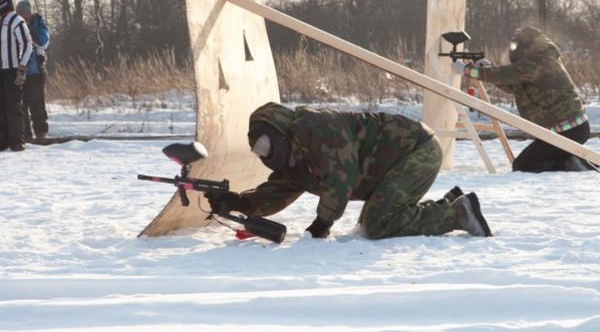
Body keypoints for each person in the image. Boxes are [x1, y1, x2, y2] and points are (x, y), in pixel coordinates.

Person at [205, 102, 492, 240]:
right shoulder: (292, 155)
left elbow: (339, 179)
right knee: (369, 224)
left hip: (415, 151)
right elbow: (279, 187)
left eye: (274, 150)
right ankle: (448, 203)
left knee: (381, 225)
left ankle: (460, 213)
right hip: (395, 164)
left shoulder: (316, 128)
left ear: (281, 133)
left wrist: (322, 224)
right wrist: (241, 203)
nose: (274, 159)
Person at [452, 26, 593, 172]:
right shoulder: (536, 60)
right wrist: (487, 68)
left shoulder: (538, 61)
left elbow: (507, 74)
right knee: (527, 163)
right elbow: (512, 85)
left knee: (522, 166)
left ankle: (569, 164)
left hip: (568, 130)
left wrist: (468, 71)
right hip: (565, 130)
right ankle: (569, 160)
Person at [0, 0, 33, 151]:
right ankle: (2, 141)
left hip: (11, 69)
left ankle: (16, 141)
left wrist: (22, 67)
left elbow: (27, 44)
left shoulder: (15, 19)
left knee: (13, 105)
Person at [16, 0, 50, 142]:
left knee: (37, 105)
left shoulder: (39, 24)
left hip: (36, 71)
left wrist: (29, 29)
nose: (21, 16)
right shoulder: (15, 25)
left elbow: (43, 42)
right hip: (19, 73)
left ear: (29, 13)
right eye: (19, 14)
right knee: (21, 106)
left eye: (23, 13)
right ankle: (26, 135)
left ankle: (41, 134)